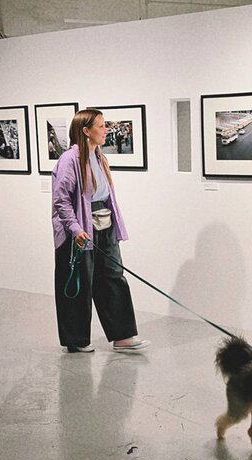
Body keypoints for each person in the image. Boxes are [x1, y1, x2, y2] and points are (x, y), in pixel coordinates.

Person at [51, 109, 149, 353]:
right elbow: (61, 201)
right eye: (102, 126)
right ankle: (76, 339)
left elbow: (106, 196)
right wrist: (75, 229)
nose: (107, 130)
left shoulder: (100, 157)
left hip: (103, 226)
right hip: (79, 231)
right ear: (86, 131)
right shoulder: (69, 160)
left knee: (113, 276)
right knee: (79, 283)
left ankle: (123, 336)